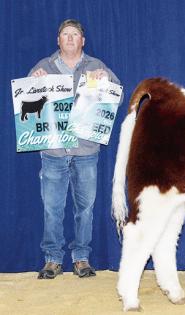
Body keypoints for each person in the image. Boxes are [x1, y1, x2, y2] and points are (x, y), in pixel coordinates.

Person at [29, 19, 121, 279]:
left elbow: (118, 96)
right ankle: (52, 259)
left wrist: (106, 82)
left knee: (85, 209)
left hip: (86, 152)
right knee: (51, 209)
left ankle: (81, 258)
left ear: (83, 41)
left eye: (75, 34)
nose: (70, 38)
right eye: (65, 34)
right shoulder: (43, 68)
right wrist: (34, 82)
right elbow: (25, 102)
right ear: (58, 41)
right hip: (53, 153)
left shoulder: (96, 66)